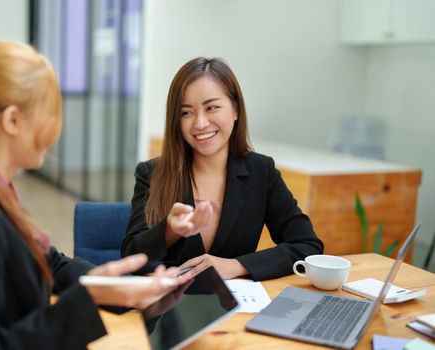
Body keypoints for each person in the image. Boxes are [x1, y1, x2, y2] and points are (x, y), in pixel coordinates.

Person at [0, 41, 186, 350]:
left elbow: (49, 263)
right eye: (49, 114)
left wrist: (121, 287)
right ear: (12, 120)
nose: (55, 129)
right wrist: (88, 298)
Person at [121, 57, 324, 281]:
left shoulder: (261, 171)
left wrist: (237, 265)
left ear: (235, 110)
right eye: (186, 112)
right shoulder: (153, 174)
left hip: (238, 307)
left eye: (212, 107)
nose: (200, 123)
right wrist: (169, 230)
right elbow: (131, 257)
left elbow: (307, 246)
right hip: (170, 306)